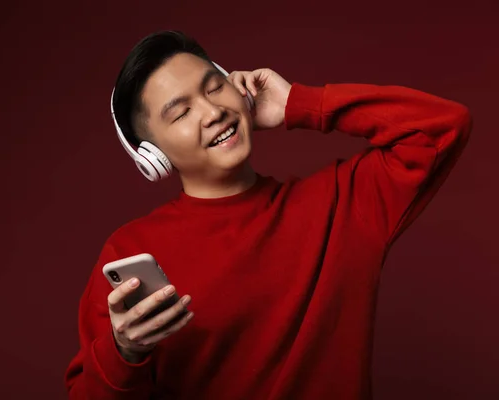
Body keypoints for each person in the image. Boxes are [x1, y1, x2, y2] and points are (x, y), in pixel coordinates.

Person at [64, 30, 472, 399]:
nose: (212, 112)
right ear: (153, 156)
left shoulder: (341, 204)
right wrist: (125, 351)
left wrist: (299, 104)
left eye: (214, 88)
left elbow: (441, 128)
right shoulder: (131, 250)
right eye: (181, 113)